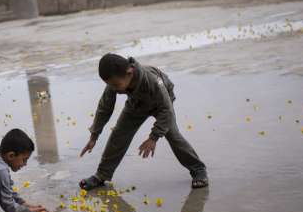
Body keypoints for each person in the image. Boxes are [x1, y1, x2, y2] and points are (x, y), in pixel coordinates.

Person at [78, 54, 209, 190]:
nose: (114, 89)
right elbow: (104, 108)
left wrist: (153, 137)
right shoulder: (114, 82)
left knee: (173, 136)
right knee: (119, 134)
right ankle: (102, 175)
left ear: (129, 73)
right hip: (136, 104)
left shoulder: (152, 80)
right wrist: (94, 136)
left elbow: (167, 109)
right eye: (111, 85)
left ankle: (198, 170)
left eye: (116, 85)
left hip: (162, 105)